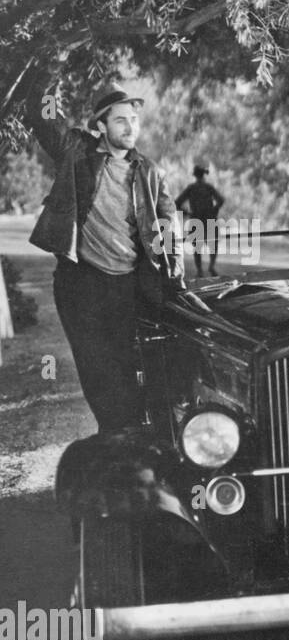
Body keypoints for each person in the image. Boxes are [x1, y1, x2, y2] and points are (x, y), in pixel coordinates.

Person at [26, 83, 182, 433]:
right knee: (95, 367)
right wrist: (47, 74)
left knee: (129, 365)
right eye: (120, 121)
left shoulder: (151, 172)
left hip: (128, 284)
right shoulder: (76, 153)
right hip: (81, 282)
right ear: (101, 125)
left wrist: (175, 278)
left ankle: (127, 437)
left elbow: (170, 226)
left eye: (134, 120)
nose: (130, 128)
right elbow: (43, 117)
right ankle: (114, 435)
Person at [175, 162, 225, 278]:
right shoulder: (208, 187)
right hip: (209, 218)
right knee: (213, 244)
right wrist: (214, 210)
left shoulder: (191, 188)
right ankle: (211, 266)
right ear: (204, 175)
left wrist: (188, 213)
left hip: (196, 218)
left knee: (197, 246)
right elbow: (221, 200)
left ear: (195, 175)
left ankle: (200, 270)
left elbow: (177, 203)